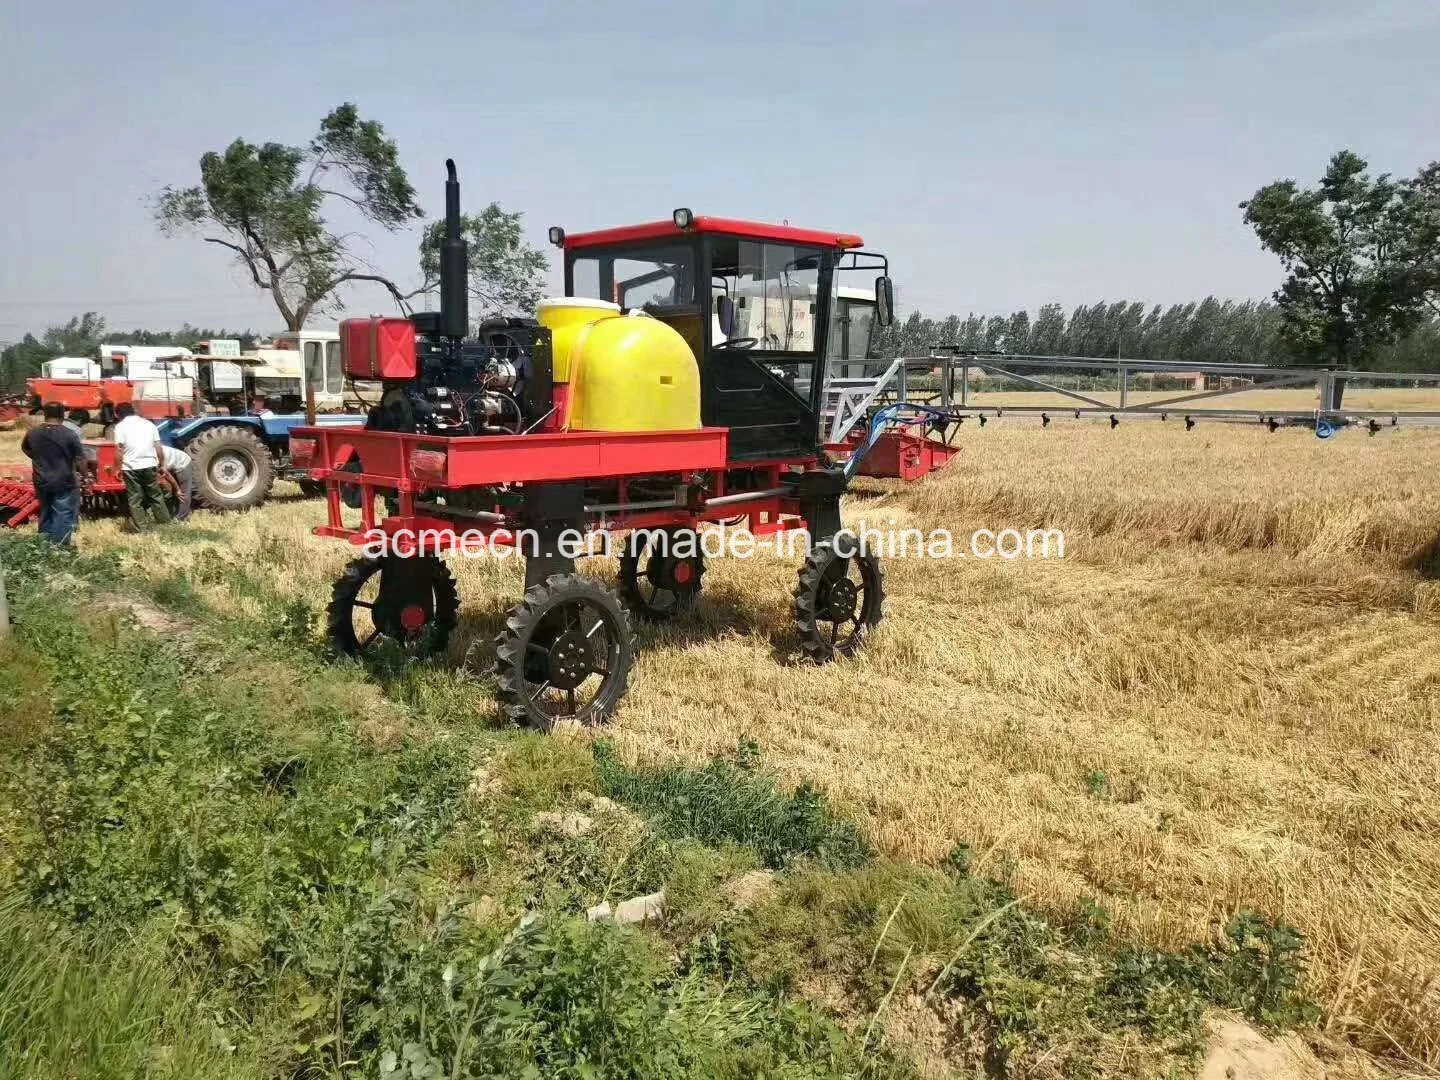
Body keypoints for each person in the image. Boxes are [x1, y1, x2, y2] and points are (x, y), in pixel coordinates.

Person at [20, 402, 84, 546]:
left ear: (45, 414)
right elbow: (80, 458)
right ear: (62, 415)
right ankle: (59, 546)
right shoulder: (69, 434)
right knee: (63, 512)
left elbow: (25, 448)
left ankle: (44, 544)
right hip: (64, 479)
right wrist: (85, 475)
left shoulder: (33, 432)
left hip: (41, 479)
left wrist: (38, 458)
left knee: (45, 510)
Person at [112, 403, 172, 530]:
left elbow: (119, 450)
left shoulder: (120, 427)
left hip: (131, 467)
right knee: (155, 496)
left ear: (117, 414)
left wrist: (117, 468)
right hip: (150, 464)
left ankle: (143, 528)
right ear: (133, 411)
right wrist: (162, 465)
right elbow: (158, 448)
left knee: (135, 499)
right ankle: (165, 524)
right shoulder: (149, 424)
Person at [160, 442, 194, 522]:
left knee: (183, 493)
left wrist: (177, 489)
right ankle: (177, 512)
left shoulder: (153, 457)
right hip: (170, 464)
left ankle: (181, 518)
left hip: (183, 462)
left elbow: (166, 474)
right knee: (172, 490)